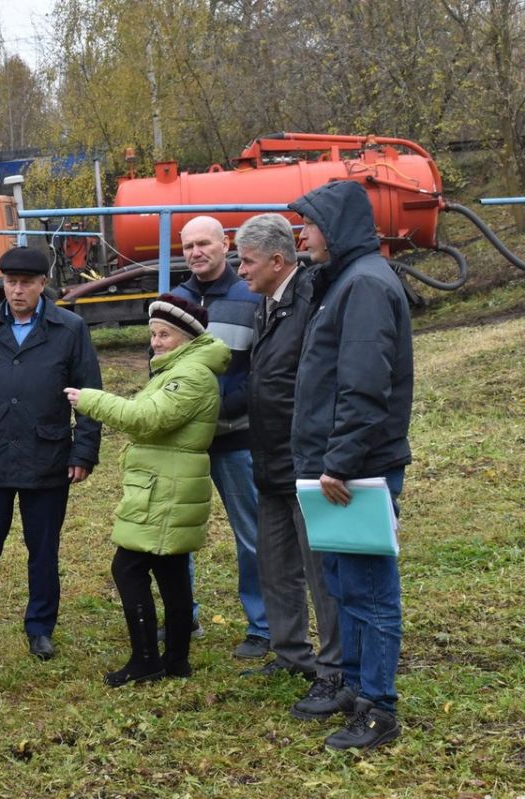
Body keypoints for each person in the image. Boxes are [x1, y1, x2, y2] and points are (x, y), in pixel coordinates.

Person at [287, 181, 413, 750]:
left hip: (355, 469)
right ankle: (356, 689)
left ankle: (378, 708)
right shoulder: (345, 281)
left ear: (335, 227)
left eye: (309, 224)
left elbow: (364, 385)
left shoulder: (363, 285)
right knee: (344, 582)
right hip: (336, 466)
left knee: (369, 590)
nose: (302, 233)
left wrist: (339, 460)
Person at [0, 246, 102, 661]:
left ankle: (40, 627)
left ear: (42, 285)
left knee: (43, 548)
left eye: (26, 284)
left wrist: (83, 452)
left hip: (47, 456)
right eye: (10, 283)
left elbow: (90, 395)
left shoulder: (69, 329)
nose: (17, 291)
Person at [64, 294, 229, 685]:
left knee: (128, 567)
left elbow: (145, 419)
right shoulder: (178, 370)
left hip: (166, 487)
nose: (156, 342)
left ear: (187, 338)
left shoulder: (190, 376)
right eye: (154, 334)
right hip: (164, 482)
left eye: (165, 335)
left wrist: (89, 399)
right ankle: (175, 659)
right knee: (170, 569)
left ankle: (146, 661)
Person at [235, 214, 343, 696]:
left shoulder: (310, 301)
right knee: (276, 564)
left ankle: (335, 665)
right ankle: (290, 652)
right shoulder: (268, 304)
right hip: (271, 460)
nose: (241, 271)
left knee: (321, 570)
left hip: (306, 461)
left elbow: (319, 384)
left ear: (278, 261)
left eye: (247, 261)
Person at [173, 216, 270, 659]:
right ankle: (181, 615)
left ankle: (263, 626)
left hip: (237, 439)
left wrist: (225, 406)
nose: (196, 252)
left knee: (251, 535)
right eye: (188, 245)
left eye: (204, 243)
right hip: (184, 442)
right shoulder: (173, 300)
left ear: (225, 244)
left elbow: (264, 370)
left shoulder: (251, 296)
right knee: (176, 532)